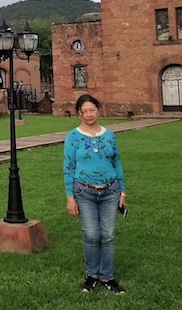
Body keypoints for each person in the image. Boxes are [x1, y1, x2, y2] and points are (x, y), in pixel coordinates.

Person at [63, 94, 127, 294]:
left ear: (98, 111)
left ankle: (107, 276)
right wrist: (70, 197)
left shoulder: (109, 136)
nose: (89, 114)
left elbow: (116, 162)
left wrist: (122, 191)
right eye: (84, 111)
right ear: (79, 113)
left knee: (107, 235)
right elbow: (68, 167)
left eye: (92, 110)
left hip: (110, 191)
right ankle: (92, 275)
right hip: (84, 191)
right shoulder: (73, 137)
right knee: (91, 235)